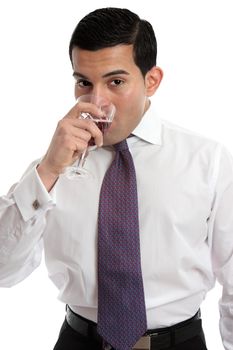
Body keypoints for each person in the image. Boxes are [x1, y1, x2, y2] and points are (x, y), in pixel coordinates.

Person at [0, 6, 232, 350]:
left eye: (116, 82)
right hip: (78, 341)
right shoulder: (54, 166)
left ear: (151, 81)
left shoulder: (207, 160)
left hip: (178, 342)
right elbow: (5, 269)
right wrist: (47, 170)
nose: (96, 101)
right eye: (84, 83)